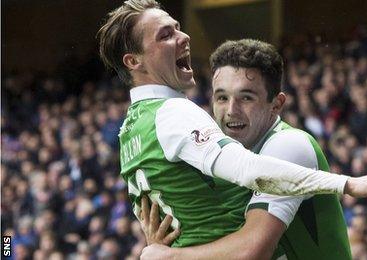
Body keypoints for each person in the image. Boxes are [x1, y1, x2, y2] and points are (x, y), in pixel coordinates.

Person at [96, 0, 367, 249]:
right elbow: (248, 173)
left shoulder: (129, 130)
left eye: (246, 97)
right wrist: (347, 183)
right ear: (133, 61)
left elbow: (246, 244)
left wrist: (165, 252)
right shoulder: (172, 112)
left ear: (276, 103)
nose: (183, 36)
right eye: (165, 35)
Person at [140, 39, 352, 259]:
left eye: (246, 97)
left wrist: (171, 256)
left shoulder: (290, 146)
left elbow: (251, 251)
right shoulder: (223, 159)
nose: (231, 110)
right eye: (222, 97)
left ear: (276, 104)